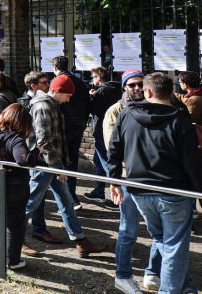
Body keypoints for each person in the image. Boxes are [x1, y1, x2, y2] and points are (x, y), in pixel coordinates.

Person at [109, 73, 202, 294]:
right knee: (173, 245)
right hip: (173, 193)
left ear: (148, 92)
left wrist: (114, 180)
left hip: (139, 190)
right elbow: (193, 161)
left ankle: (186, 288)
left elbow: (114, 149)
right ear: (171, 93)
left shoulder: (127, 115)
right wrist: (200, 191)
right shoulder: (179, 121)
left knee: (164, 239)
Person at [24, 75, 106, 257]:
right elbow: (43, 140)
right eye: (67, 95)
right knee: (31, 202)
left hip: (52, 163)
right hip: (44, 164)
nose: (69, 99)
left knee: (66, 201)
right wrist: (57, 167)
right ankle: (14, 238)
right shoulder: (43, 107)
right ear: (57, 91)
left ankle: (80, 240)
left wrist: (59, 165)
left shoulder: (51, 105)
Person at [0, 103, 40, 269]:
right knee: (15, 225)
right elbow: (23, 160)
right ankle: (12, 261)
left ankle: (0, 257)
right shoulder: (14, 139)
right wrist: (36, 152)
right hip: (14, 188)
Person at [51, 55, 91, 207]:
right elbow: (88, 104)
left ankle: (66, 198)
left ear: (55, 68)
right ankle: (71, 195)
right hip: (79, 125)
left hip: (64, 127)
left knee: (59, 161)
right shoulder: (80, 82)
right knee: (72, 161)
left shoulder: (57, 83)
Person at [85, 66, 121, 206]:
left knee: (107, 164)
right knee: (99, 163)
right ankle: (99, 192)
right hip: (109, 129)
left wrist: (92, 96)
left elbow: (93, 109)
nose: (92, 80)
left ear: (98, 78)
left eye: (93, 77)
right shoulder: (115, 89)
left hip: (101, 130)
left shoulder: (102, 90)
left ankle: (118, 196)